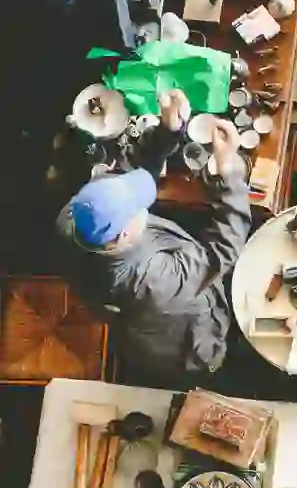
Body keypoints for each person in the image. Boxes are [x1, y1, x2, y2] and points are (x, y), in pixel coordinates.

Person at [56, 90, 252, 387]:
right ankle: (214, 372)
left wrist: (167, 130)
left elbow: (127, 169)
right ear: (123, 234)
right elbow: (221, 251)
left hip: (143, 303)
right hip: (181, 340)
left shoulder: (76, 215)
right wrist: (230, 175)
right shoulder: (152, 281)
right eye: (137, 206)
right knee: (208, 361)